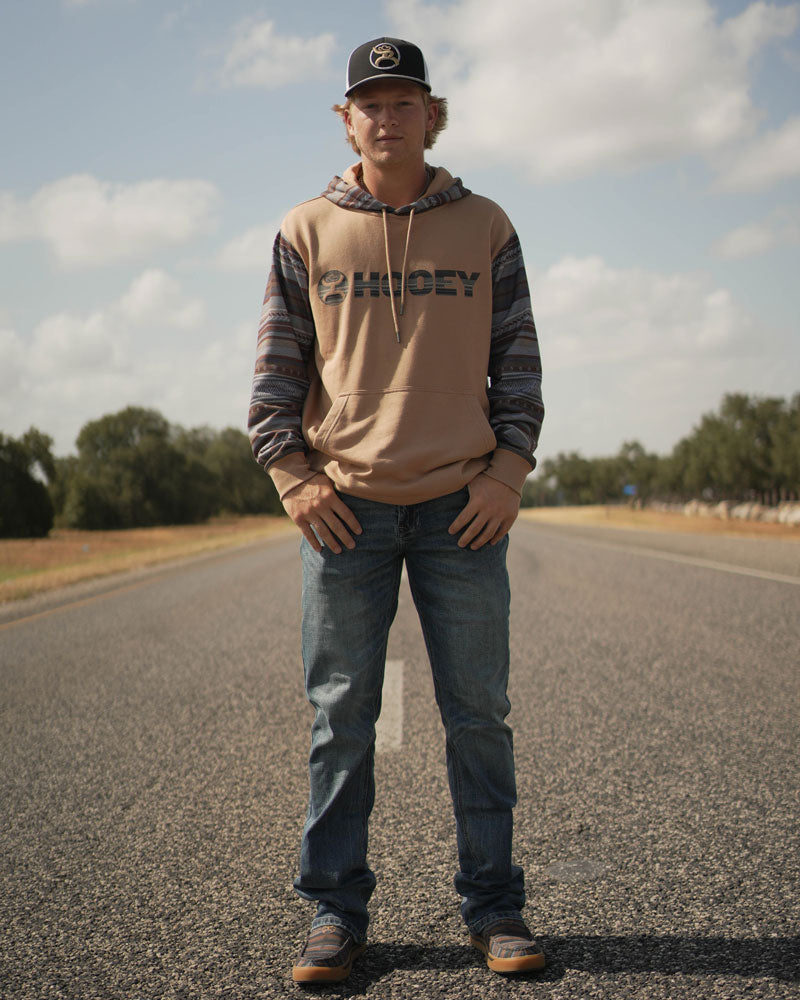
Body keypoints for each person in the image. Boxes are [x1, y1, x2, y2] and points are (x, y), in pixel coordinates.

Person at [248, 36, 545, 984]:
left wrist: (506, 473)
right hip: (347, 510)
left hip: (464, 506)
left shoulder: (487, 224)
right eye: (367, 102)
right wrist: (295, 478)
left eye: (402, 99)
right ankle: (336, 914)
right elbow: (276, 378)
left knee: (478, 716)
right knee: (342, 717)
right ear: (348, 119)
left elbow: (521, 365)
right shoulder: (304, 229)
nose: (385, 115)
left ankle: (495, 910)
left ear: (431, 113)